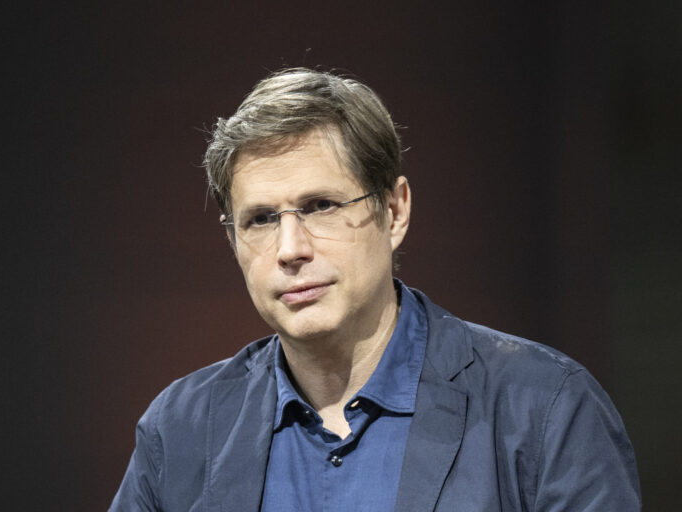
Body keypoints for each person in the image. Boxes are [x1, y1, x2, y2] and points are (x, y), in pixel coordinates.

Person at [110, 68, 641, 511]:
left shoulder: (544, 407)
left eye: (321, 206)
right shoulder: (180, 430)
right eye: (261, 219)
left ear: (394, 211)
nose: (290, 249)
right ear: (233, 239)